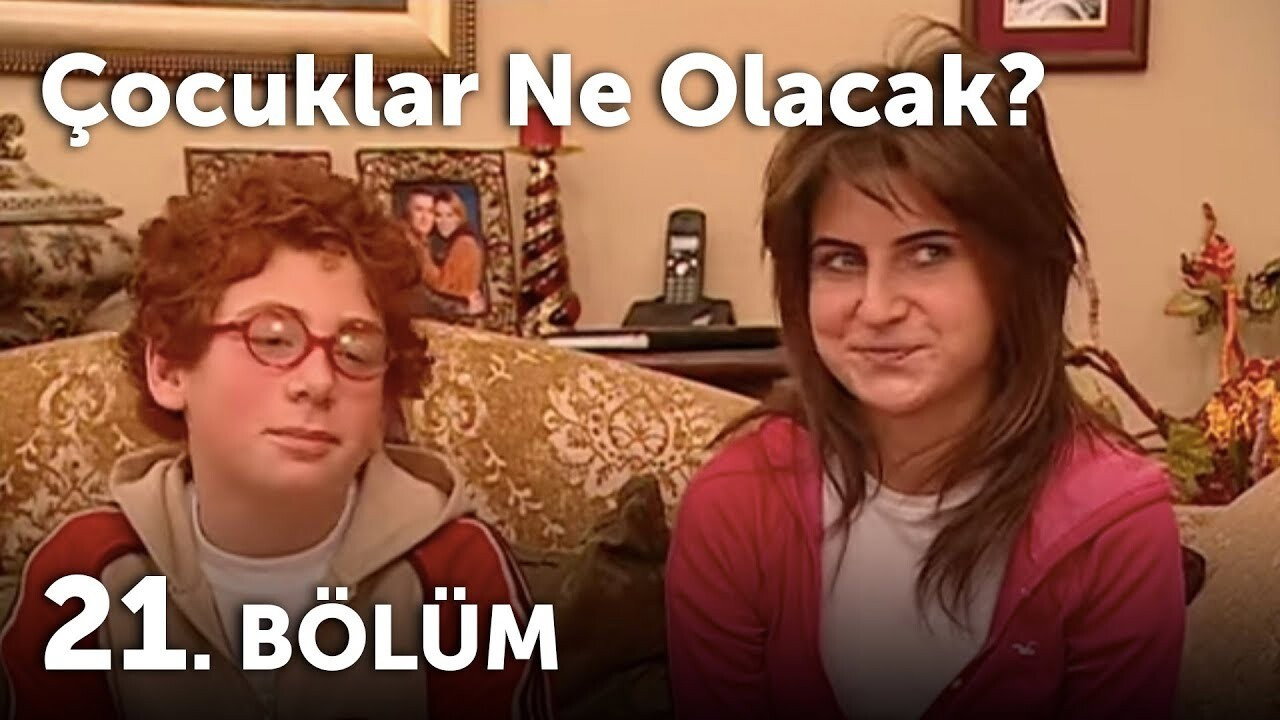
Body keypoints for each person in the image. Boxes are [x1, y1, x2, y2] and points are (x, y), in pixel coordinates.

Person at [664, 21, 1185, 720]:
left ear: (1018, 273)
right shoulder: (736, 504)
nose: (876, 307)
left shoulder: (1116, 526)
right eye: (841, 260)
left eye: (929, 253)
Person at [0, 159, 553, 719]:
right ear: (168, 369)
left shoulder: (458, 571)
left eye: (356, 351)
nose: (318, 381)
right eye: (271, 338)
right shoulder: (83, 570)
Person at [426, 189, 487, 317]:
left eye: (450, 215)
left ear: (459, 217)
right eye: (438, 215)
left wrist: (422, 257)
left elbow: (443, 285)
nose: (444, 221)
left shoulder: (464, 243)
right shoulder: (452, 242)